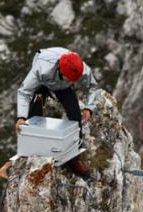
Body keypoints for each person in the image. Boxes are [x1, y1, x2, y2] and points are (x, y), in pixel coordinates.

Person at [16, 47, 99, 175]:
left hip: (63, 87)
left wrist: (89, 107)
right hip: (43, 83)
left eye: (74, 80)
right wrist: (21, 117)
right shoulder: (41, 69)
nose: (73, 81)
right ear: (61, 71)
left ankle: (73, 157)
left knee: (76, 117)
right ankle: (35, 151)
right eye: (69, 78)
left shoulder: (81, 70)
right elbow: (24, 91)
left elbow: (93, 86)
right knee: (34, 117)